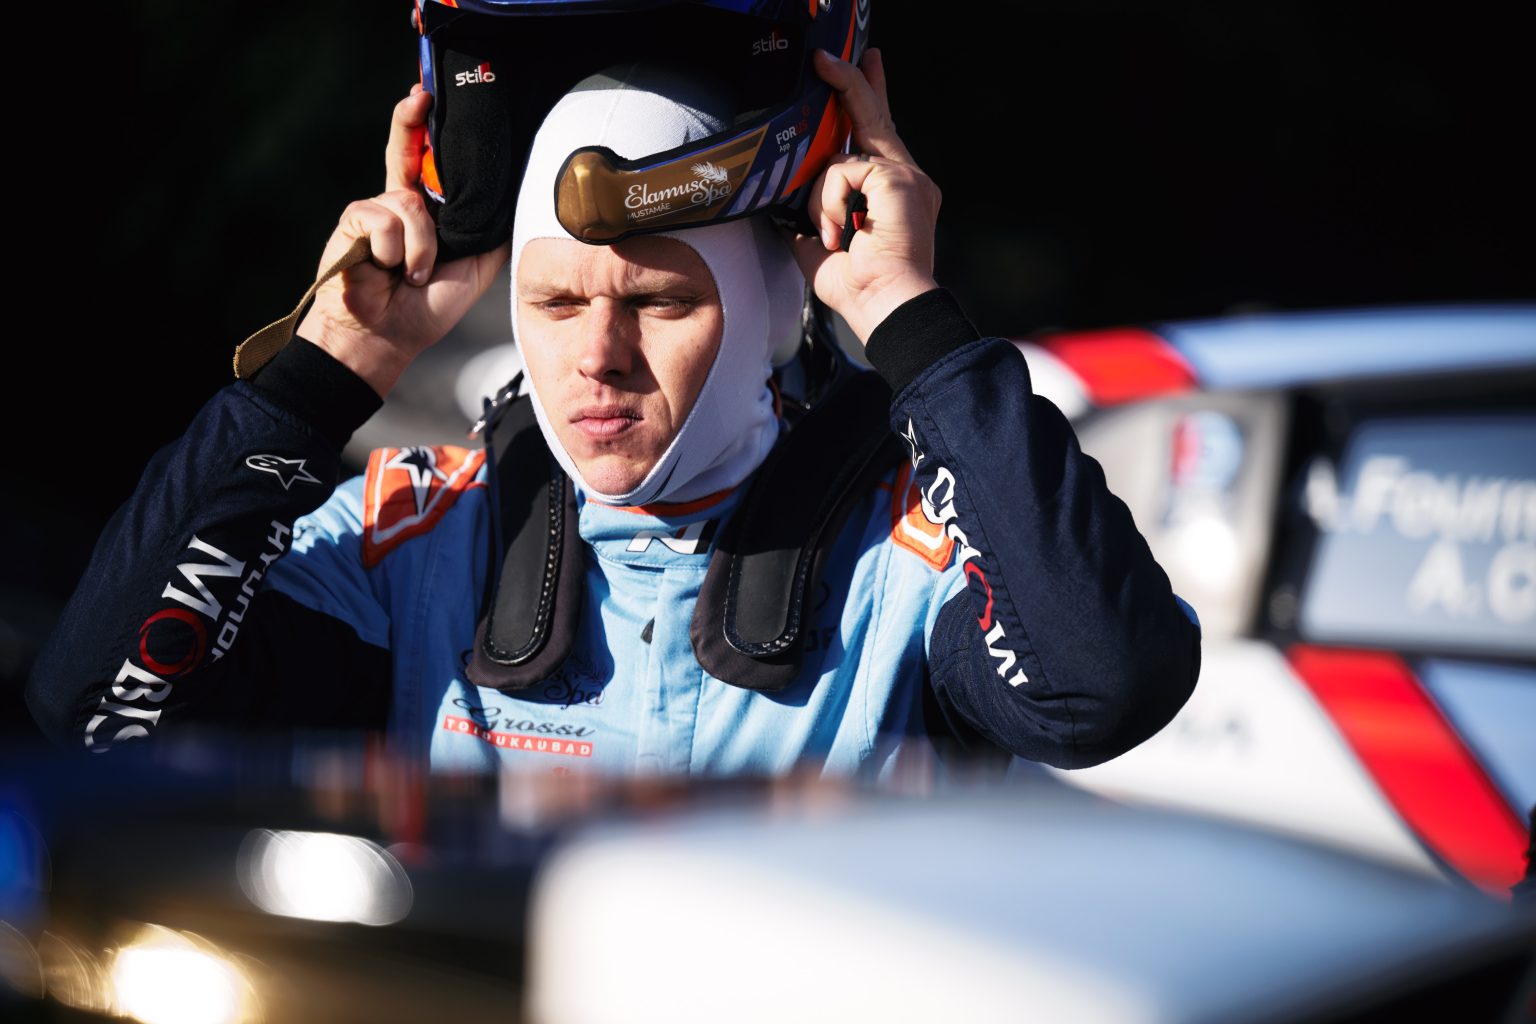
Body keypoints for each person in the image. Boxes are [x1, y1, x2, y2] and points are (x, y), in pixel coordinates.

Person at [26, 43, 1201, 774]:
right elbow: (94, 710)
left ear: (769, 307)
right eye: (552, 301)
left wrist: (908, 316)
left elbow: (1103, 689)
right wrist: (326, 368)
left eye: (658, 300)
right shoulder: (414, 539)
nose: (596, 355)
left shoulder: (902, 552)